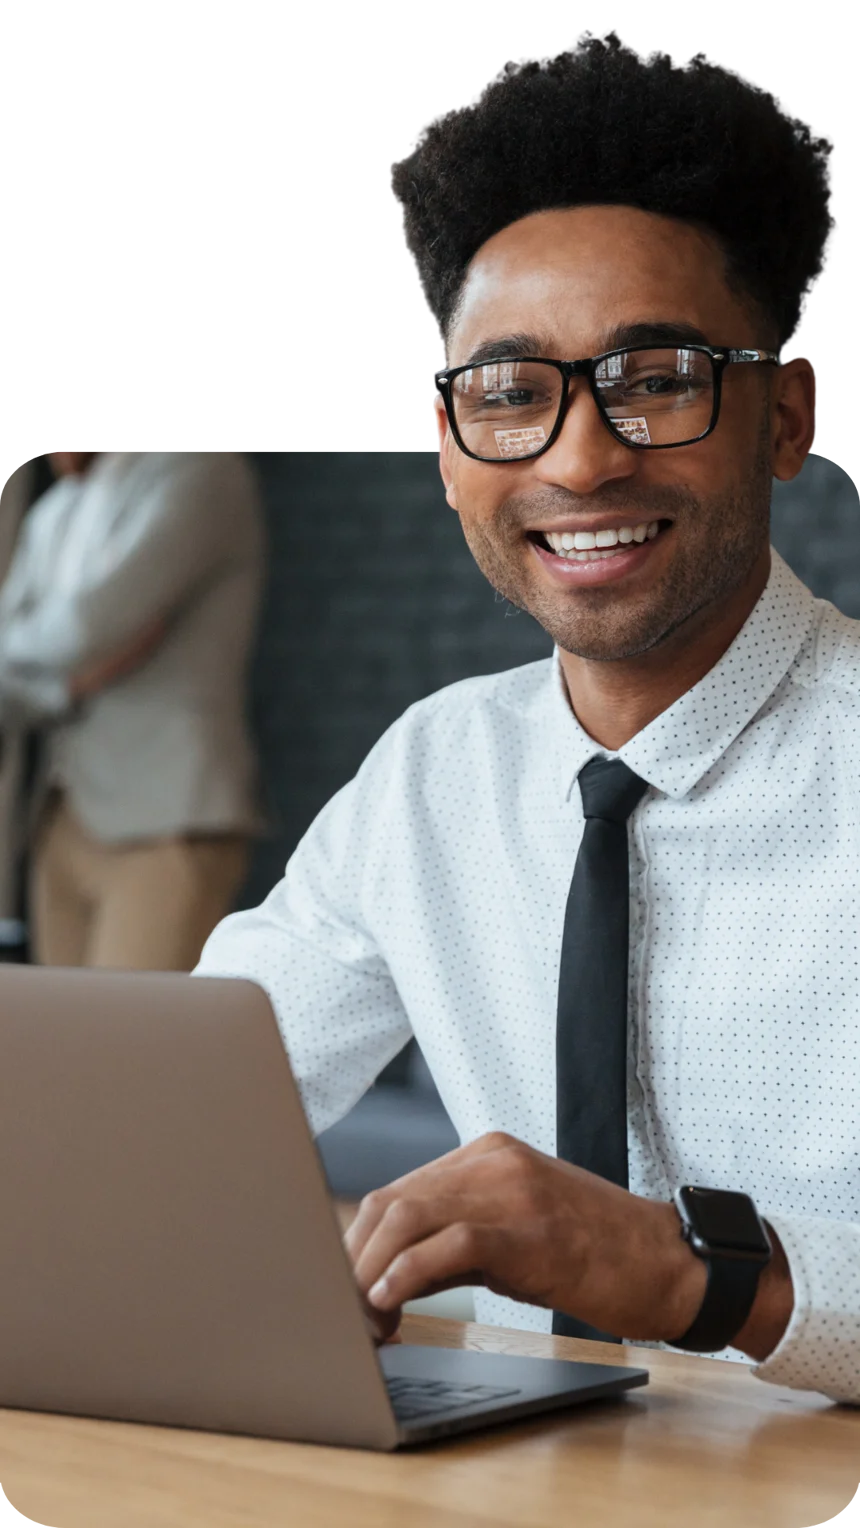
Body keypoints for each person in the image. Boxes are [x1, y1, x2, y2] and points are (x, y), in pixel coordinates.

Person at [194, 32, 859, 1404]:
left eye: (658, 375)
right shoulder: (431, 775)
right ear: (448, 450)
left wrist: (697, 1276)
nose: (578, 456)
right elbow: (179, 1112)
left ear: (785, 415)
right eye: (509, 394)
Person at [0, 447, 266, 970]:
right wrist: (66, 686)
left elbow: (89, 626)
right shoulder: (54, 512)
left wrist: (46, 643)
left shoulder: (200, 470)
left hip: (168, 818)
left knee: (136, 1045)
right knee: (62, 1044)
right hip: (60, 819)